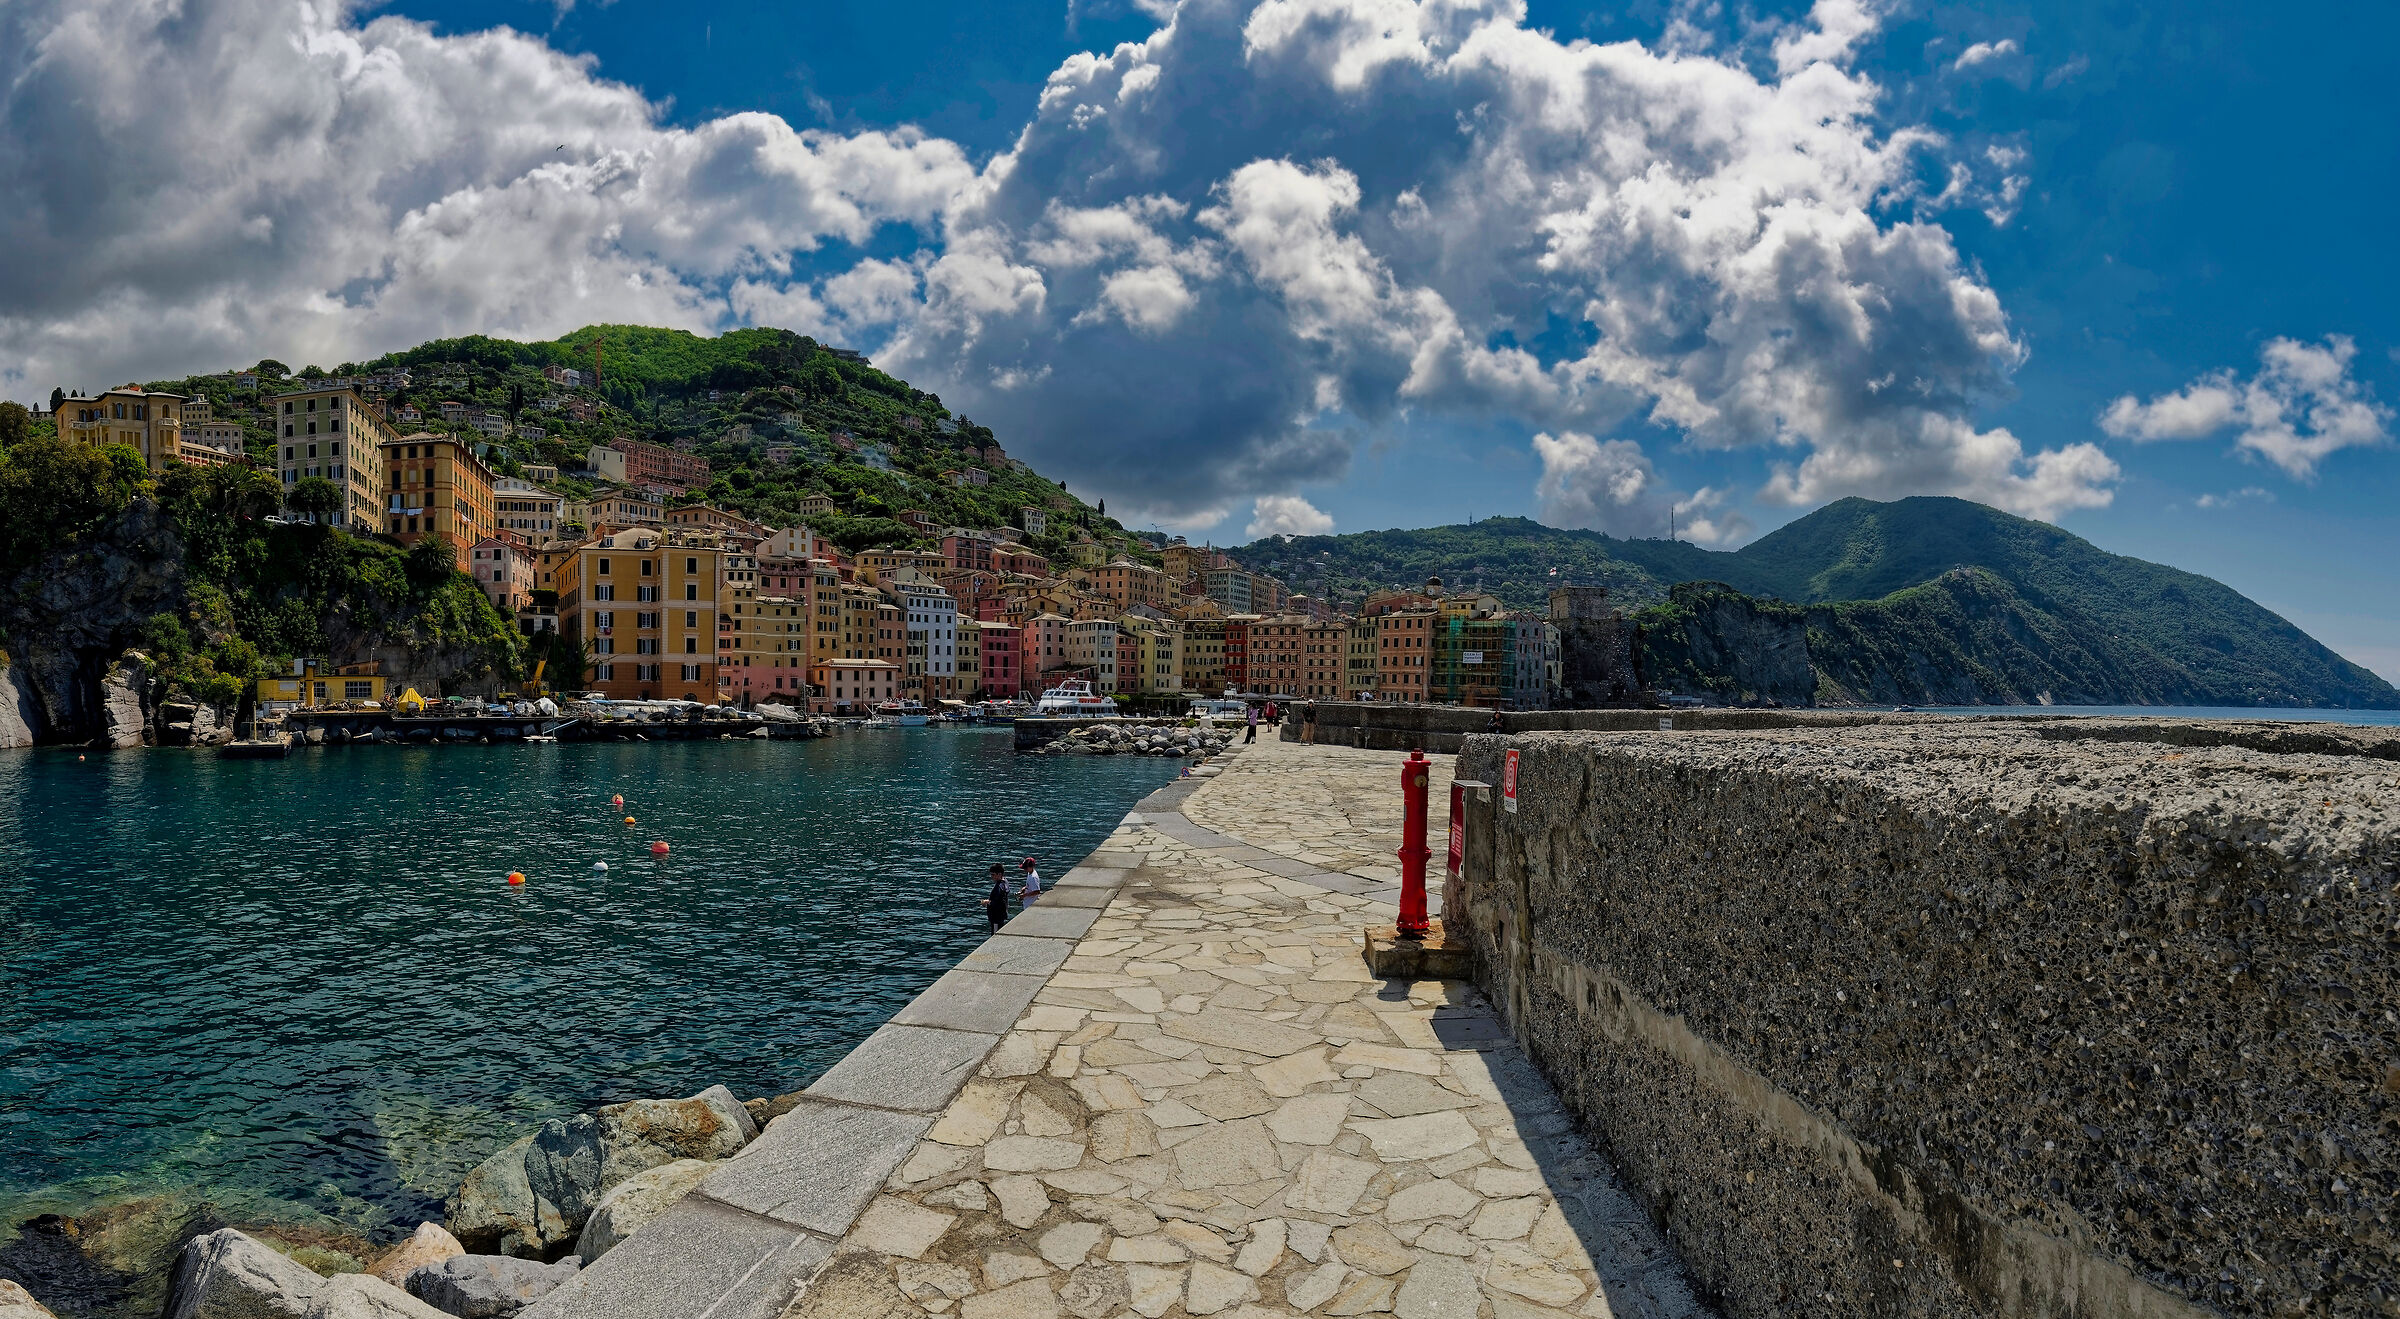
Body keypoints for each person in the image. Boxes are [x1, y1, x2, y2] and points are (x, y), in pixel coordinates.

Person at [984, 864, 1011, 934]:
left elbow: (996, 902)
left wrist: (987, 902)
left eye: (993, 875)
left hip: (996, 917)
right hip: (1002, 915)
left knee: (995, 935)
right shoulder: (1005, 882)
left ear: (999, 874)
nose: (991, 877)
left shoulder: (998, 887)